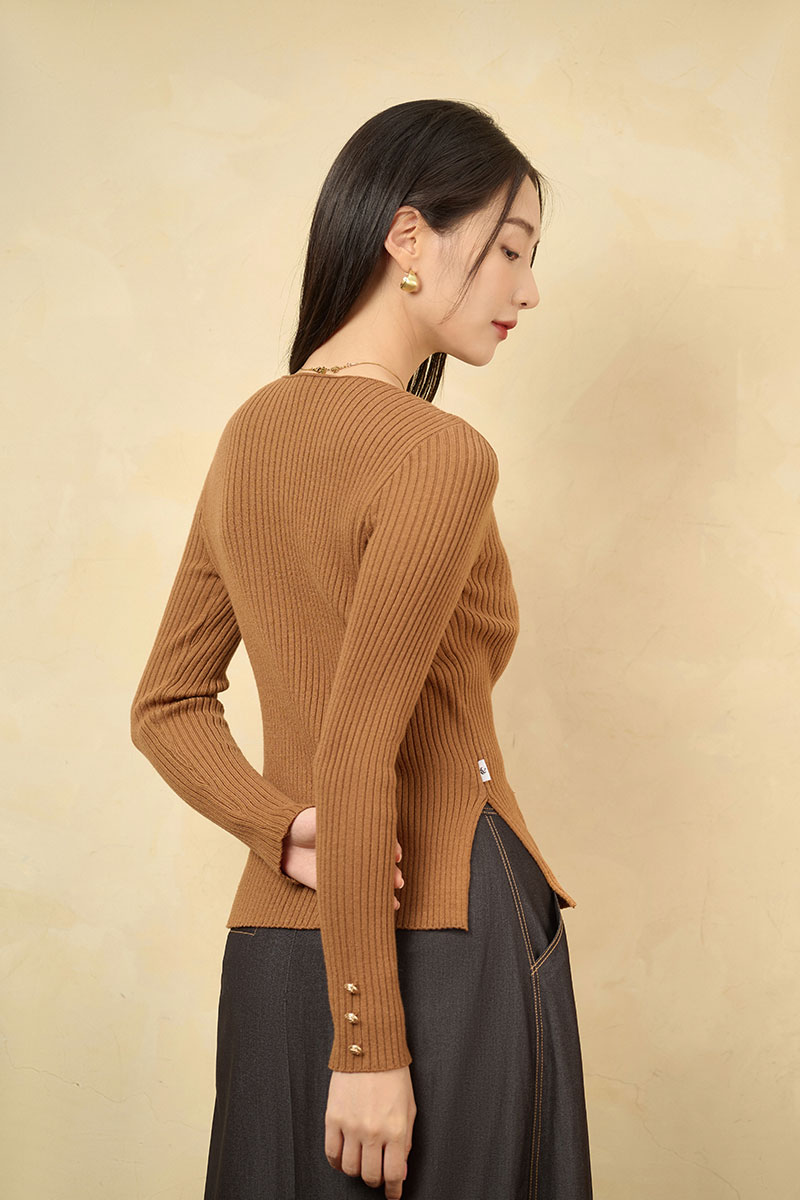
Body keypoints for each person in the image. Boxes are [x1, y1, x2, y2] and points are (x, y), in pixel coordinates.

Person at [130, 98, 594, 1199]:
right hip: (437, 949)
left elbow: (164, 707)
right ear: (407, 237)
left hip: (277, 948)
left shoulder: (251, 433)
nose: (527, 288)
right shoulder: (438, 454)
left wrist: (280, 829)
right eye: (510, 249)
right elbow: (355, 748)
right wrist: (368, 1041)